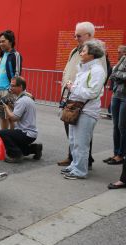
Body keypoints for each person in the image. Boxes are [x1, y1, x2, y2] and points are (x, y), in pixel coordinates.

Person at [58, 21, 108, 169]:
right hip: (71, 96)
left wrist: (82, 94)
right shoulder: (75, 50)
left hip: (83, 100)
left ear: (89, 36)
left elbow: (100, 78)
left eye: (78, 35)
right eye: (75, 35)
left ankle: (84, 162)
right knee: (71, 128)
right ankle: (73, 158)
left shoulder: (98, 54)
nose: (76, 38)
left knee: (82, 134)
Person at [0, 77, 42, 163]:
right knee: (19, 147)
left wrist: (6, 108)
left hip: (26, 133)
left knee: (2, 133)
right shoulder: (27, 98)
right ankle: (35, 149)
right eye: (10, 85)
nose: (11, 88)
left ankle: (15, 155)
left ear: (20, 87)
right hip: (31, 133)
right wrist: (11, 107)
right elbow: (20, 113)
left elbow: (14, 118)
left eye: (13, 86)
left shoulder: (21, 101)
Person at [103, 45, 126, 165]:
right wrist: (118, 76)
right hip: (116, 95)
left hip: (124, 97)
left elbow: (116, 75)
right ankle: (116, 153)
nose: (118, 54)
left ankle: (121, 155)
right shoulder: (119, 62)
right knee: (116, 126)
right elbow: (112, 75)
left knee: (122, 126)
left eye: (120, 52)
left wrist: (118, 75)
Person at [0, 30, 23, 130]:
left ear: (10, 41)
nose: (1, 44)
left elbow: (17, 74)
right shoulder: (3, 54)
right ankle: (4, 138)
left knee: (11, 117)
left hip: (9, 91)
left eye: (3, 41)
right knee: (2, 116)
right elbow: (1, 72)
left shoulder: (16, 55)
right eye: (0, 41)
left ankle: (11, 140)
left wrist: (11, 90)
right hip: (0, 89)